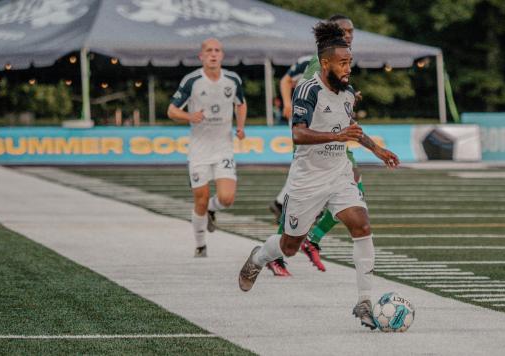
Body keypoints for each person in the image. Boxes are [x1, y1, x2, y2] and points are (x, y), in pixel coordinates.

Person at [238, 21, 400, 331]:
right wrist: (336, 138)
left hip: (339, 173)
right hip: (307, 180)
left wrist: (376, 149)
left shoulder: (348, 92)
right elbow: (298, 134)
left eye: (349, 61)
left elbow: (349, 129)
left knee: (361, 224)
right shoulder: (307, 89)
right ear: (325, 63)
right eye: (342, 62)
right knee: (289, 246)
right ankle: (258, 258)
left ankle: (364, 300)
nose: (347, 67)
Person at [268, 14, 362, 275]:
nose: (350, 35)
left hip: (335, 135)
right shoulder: (315, 64)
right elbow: (304, 89)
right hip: (319, 135)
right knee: (341, 186)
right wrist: (287, 103)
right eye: (345, 30)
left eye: (352, 31)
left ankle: (309, 239)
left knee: (351, 186)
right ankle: (295, 245)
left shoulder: (342, 61)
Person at [167, 38, 247, 257]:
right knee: (200, 199)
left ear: (222, 55)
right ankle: (201, 244)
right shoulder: (192, 81)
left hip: (223, 149)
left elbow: (241, 103)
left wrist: (240, 127)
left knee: (227, 199)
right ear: (201, 56)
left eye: (217, 50)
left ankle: (214, 208)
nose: (213, 54)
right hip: (199, 151)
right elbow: (172, 111)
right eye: (208, 51)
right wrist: (189, 116)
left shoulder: (232, 79)